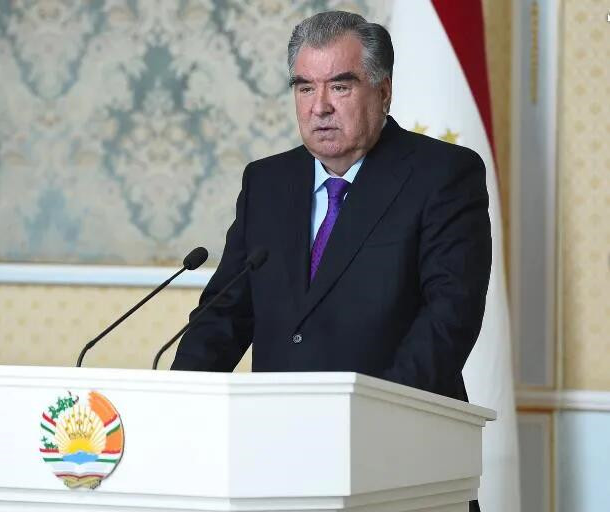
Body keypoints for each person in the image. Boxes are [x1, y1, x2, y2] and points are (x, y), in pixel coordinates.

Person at [171, 12, 488, 512]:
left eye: (340, 86)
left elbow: (449, 318)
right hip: (276, 456)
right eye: (304, 88)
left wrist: (370, 419)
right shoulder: (267, 182)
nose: (319, 107)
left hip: (399, 456)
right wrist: (175, 409)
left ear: (383, 91)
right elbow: (224, 315)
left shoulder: (443, 175)